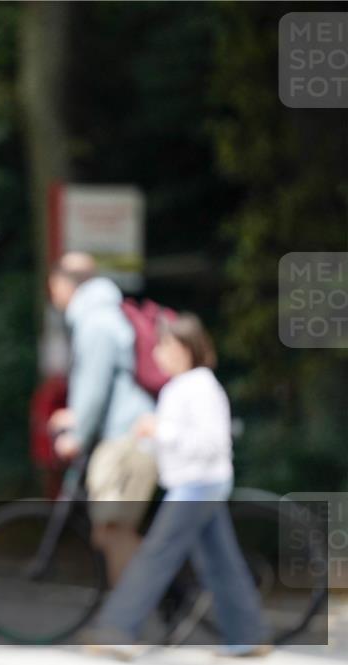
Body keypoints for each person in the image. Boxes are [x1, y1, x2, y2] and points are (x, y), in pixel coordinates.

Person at [88, 313, 269, 659]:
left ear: (187, 348)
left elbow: (212, 443)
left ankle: (117, 630)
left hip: (197, 485)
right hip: (198, 484)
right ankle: (246, 636)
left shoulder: (199, 387)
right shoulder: (184, 386)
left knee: (156, 555)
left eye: (165, 345)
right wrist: (153, 435)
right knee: (221, 563)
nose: (158, 353)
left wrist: (161, 431)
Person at [47, 252, 156, 585]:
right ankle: (161, 599)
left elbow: (94, 387)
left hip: (126, 439)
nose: (52, 294)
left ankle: (132, 610)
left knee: (112, 530)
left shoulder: (95, 321)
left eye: (53, 286)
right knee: (109, 531)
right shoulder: (105, 314)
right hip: (130, 432)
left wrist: (77, 436)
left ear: (65, 284)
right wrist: (76, 417)